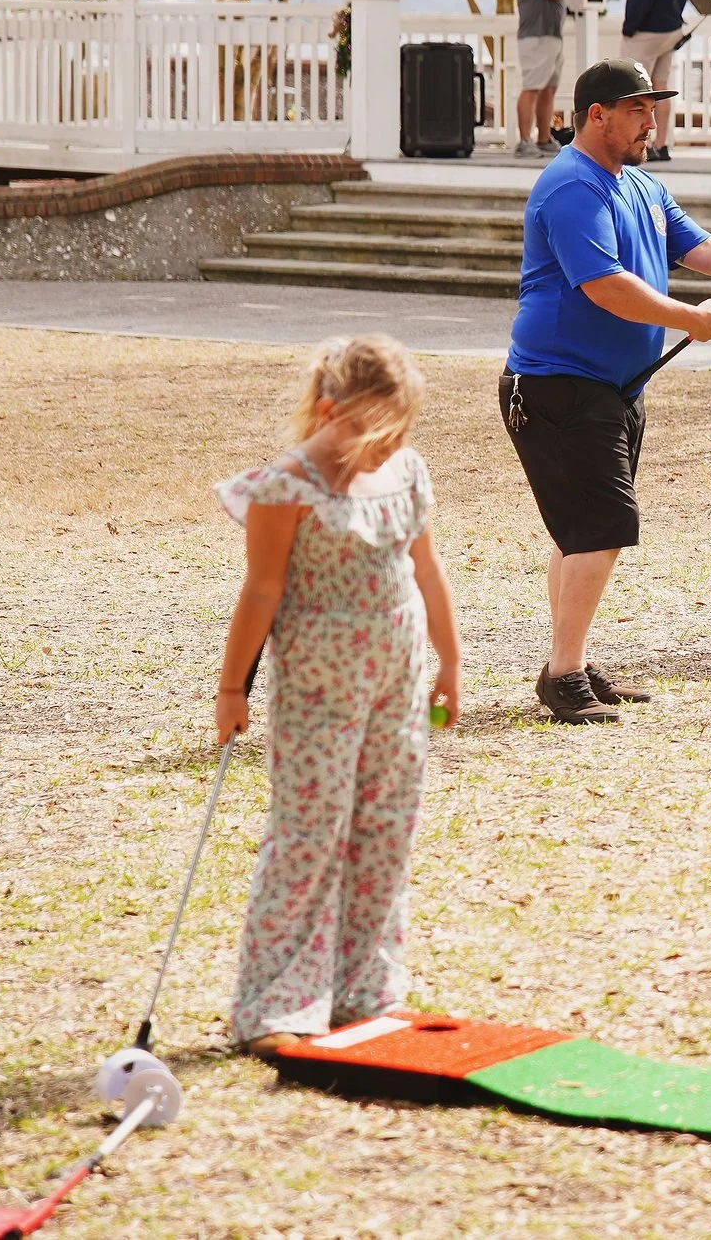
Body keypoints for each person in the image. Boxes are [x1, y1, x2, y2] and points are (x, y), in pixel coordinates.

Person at [503, 58, 711, 724]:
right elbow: (604, 285)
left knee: (579, 529)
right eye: (639, 108)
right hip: (559, 386)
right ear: (598, 115)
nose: (653, 120)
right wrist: (689, 319)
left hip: (610, 390)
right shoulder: (570, 187)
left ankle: (571, 661)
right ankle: (564, 676)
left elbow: (705, 251)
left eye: (653, 106)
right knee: (600, 525)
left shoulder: (642, 185)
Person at [213, 335, 461, 1059]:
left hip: (399, 678)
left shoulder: (407, 472)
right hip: (320, 688)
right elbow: (261, 589)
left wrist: (450, 661)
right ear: (329, 412)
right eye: (377, 432)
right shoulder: (283, 486)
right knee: (311, 830)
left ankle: (365, 990)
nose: (391, 447)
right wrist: (232, 687)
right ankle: (277, 1003)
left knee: (387, 825)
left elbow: (428, 567)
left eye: (402, 432)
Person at [620, 0, 693, 163]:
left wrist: (630, 27)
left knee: (633, 88)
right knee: (659, 86)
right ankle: (661, 145)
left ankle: (639, 145)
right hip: (671, 30)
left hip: (648, 32)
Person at [512, 0, 575, 159]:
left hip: (554, 34)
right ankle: (524, 140)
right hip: (535, 35)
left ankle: (544, 138)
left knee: (549, 88)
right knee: (532, 87)